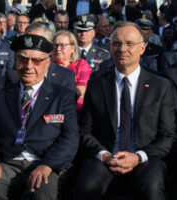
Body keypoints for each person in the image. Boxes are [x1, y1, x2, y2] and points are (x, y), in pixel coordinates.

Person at [0, 33, 79, 200]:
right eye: (22, 59)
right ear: (15, 61)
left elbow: (70, 137)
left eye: (36, 61)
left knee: (42, 192)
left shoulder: (62, 97)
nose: (28, 66)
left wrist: (48, 165)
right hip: (6, 163)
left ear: (47, 63)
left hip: (43, 163)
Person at [72, 21, 176, 200]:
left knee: (152, 188)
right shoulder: (97, 84)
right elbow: (86, 131)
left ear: (142, 48)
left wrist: (138, 157)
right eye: (117, 43)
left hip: (146, 157)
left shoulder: (161, 86)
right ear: (110, 48)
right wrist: (104, 156)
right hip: (106, 157)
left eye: (129, 43)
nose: (122, 49)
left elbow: (168, 135)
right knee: (86, 186)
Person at [6, 22, 76, 95]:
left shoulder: (65, 76)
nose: (32, 47)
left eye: (37, 42)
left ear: (49, 44)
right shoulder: (13, 74)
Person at [52, 31, 91, 111]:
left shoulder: (80, 65)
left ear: (73, 48)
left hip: (76, 111)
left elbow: (81, 90)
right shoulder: (47, 66)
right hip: (52, 111)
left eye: (63, 45)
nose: (58, 49)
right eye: (56, 45)